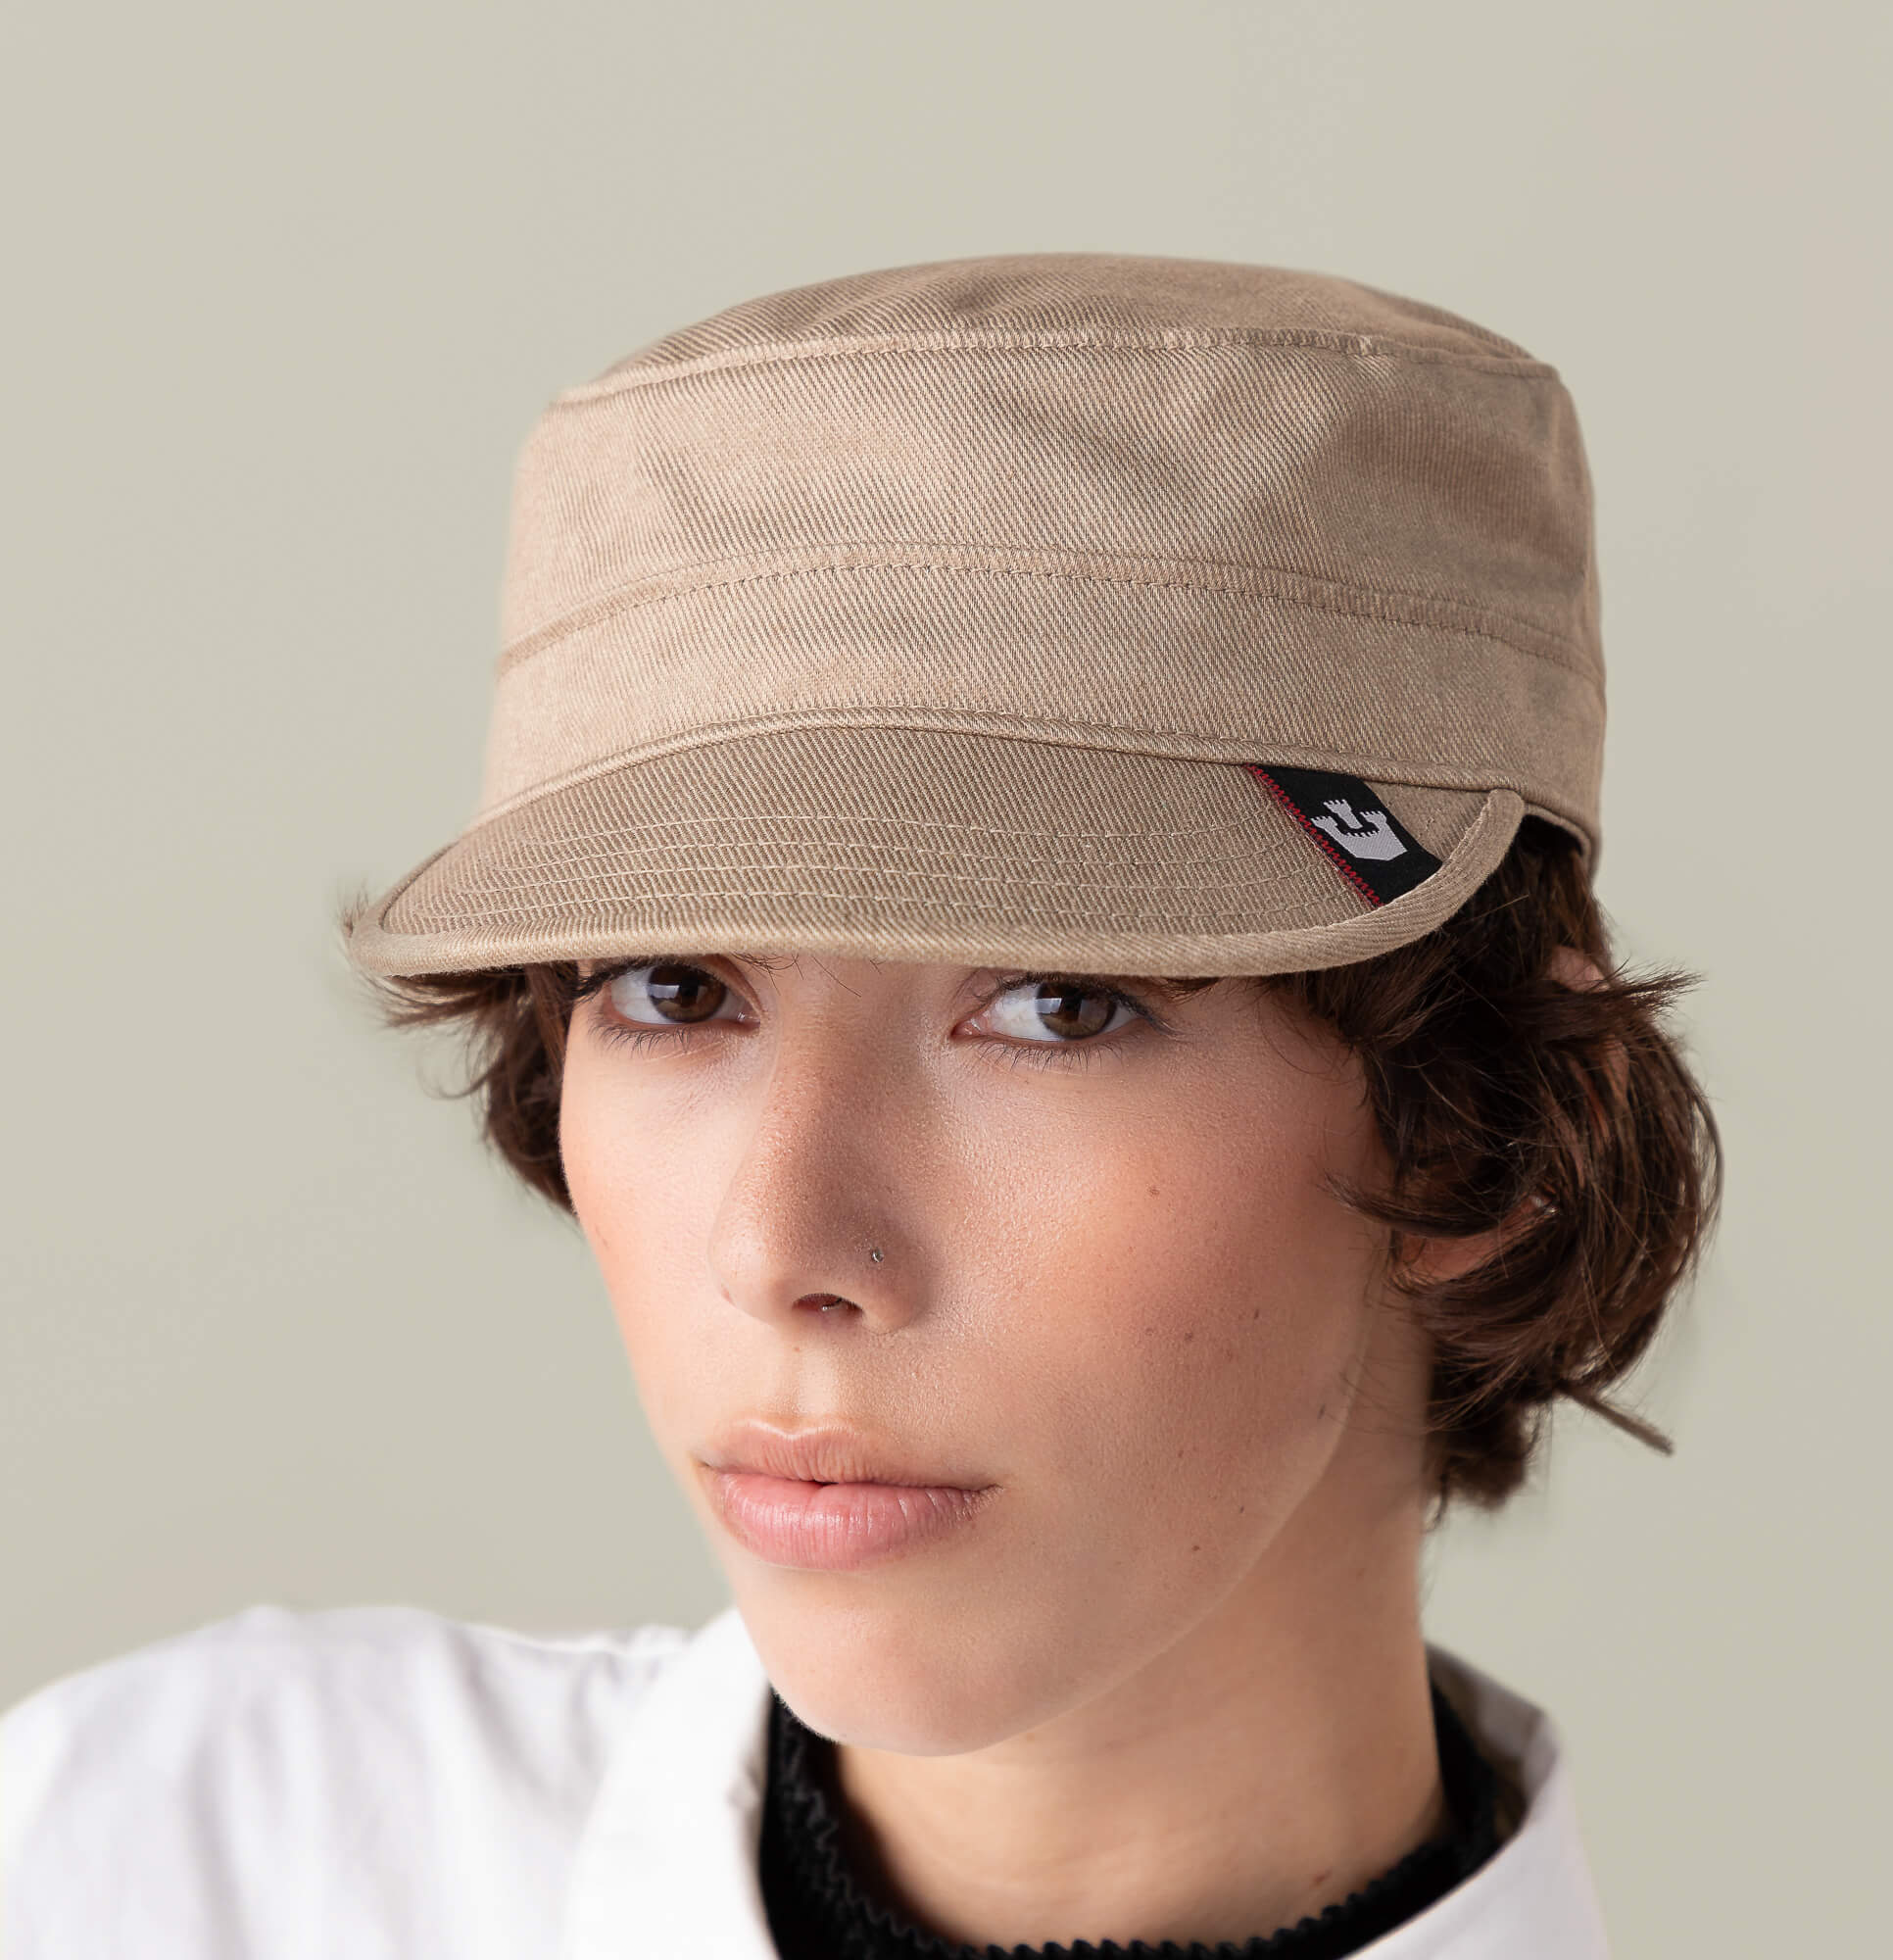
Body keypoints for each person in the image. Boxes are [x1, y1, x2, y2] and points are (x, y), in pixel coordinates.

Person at [0, 252, 1719, 1958]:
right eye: (675, 991)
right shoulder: (150, 1861)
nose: (783, 1246)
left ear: (1484, 1132)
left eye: (1059, 1006)